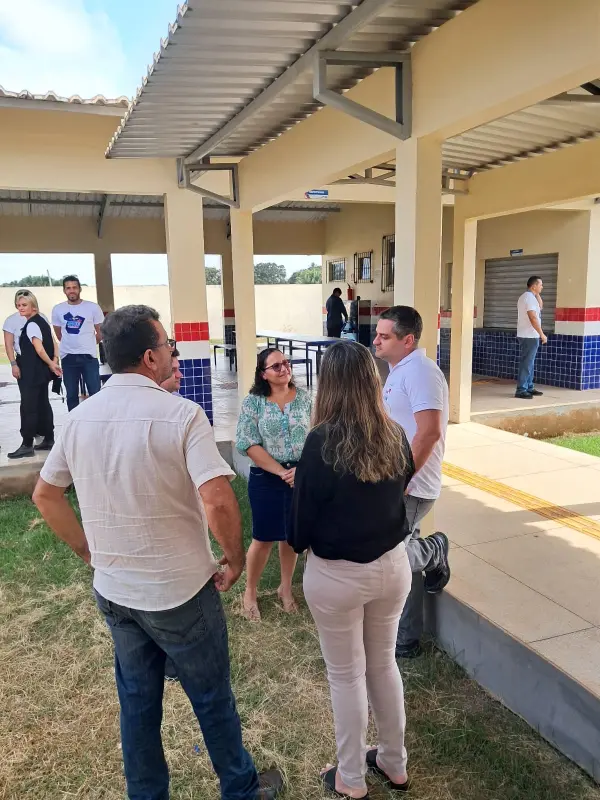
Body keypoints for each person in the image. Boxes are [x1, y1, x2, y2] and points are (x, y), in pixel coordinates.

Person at [32, 305, 282, 800]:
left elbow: (46, 494)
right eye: (168, 345)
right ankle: (241, 789)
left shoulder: (79, 418)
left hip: (115, 593)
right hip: (180, 593)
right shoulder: (182, 415)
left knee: (137, 704)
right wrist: (235, 560)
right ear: (150, 357)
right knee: (212, 698)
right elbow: (217, 499)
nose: (172, 352)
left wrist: (90, 554)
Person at [289, 340, 414, 800]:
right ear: (371, 380)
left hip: (337, 575)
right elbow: (404, 485)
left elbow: (298, 526)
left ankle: (351, 778)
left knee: (347, 676)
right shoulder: (395, 433)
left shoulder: (320, 442)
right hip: (392, 566)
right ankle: (394, 763)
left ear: (329, 384)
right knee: (383, 664)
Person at [374, 306, 450, 660]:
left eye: (384, 336)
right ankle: (406, 639)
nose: (376, 341)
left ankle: (435, 550)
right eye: (377, 334)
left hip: (412, 484)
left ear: (407, 340)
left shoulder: (421, 372)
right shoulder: (398, 371)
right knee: (398, 551)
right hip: (395, 480)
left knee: (394, 555)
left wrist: (403, 477)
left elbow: (429, 431)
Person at [236, 348, 312, 621]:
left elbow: (317, 437)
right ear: (263, 374)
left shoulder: (305, 399)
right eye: (276, 366)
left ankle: (285, 588)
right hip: (266, 477)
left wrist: (301, 470)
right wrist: (281, 471)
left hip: (300, 476)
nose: (284, 368)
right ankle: (250, 591)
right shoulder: (253, 403)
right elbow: (247, 443)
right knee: (263, 537)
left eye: (286, 363)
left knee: (291, 536)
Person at [7, 292, 62, 459]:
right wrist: (53, 361)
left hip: (31, 371)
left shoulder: (31, 325)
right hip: (40, 370)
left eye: (24, 305)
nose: (20, 308)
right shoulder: (41, 321)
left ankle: (27, 444)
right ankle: (49, 439)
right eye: (19, 305)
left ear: (33, 306)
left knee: (28, 407)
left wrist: (52, 363)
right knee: (43, 403)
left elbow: (39, 349)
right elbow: (53, 343)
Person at [52, 275, 104, 411]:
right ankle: (74, 421)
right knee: (71, 396)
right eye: (68, 288)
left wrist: (89, 343)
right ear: (64, 290)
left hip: (89, 357)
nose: (72, 290)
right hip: (68, 357)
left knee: (95, 393)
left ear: (80, 289)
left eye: (74, 287)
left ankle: (96, 420)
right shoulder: (58, 309)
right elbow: (58, 334)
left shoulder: (92, 307)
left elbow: (100, 332)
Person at [516, 276, 546, 399]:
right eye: (540, 285)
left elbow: (540, 307)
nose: (542, 287)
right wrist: (541, 334)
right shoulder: (528, 298)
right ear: (534, 286)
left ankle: (529, 387)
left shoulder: (530, 297)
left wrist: (537, 294)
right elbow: (533, 317)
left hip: (529, 335)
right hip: (529, 335)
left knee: (530, 363)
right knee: (527, 363)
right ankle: (521, 389)